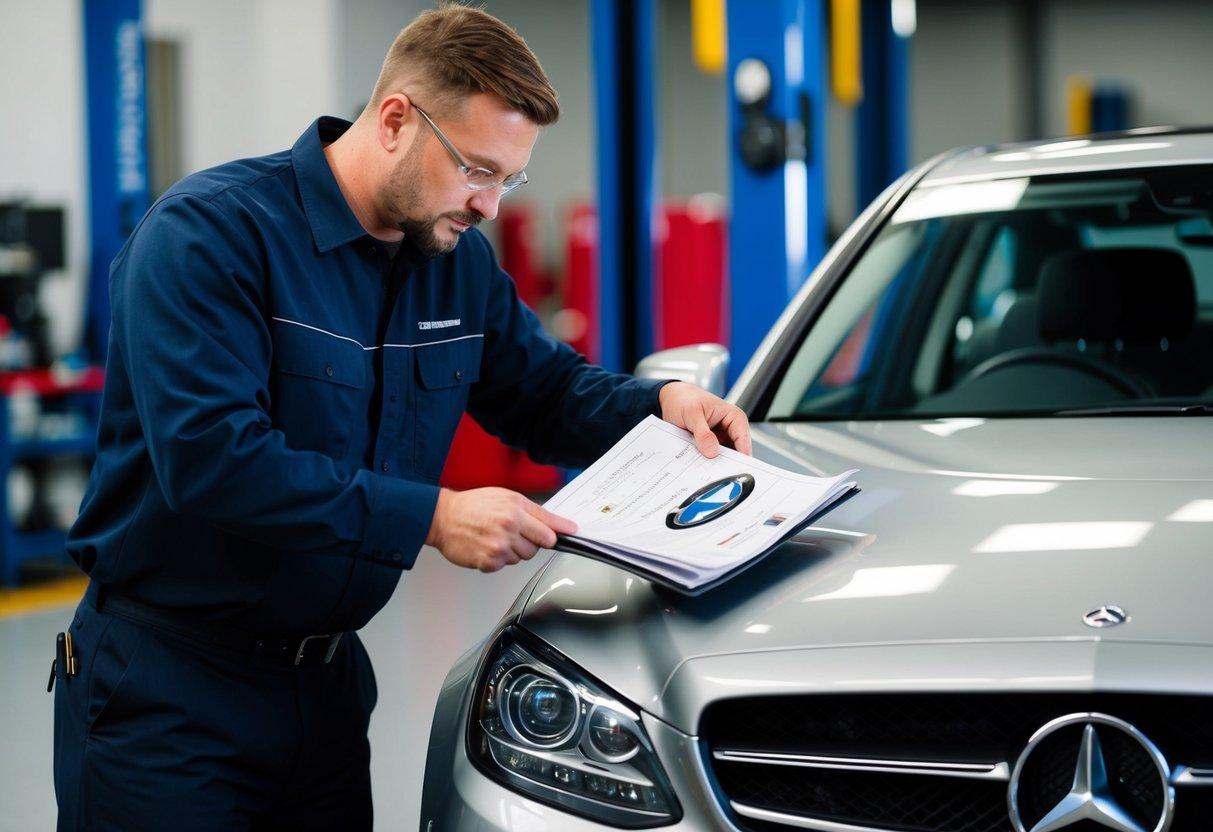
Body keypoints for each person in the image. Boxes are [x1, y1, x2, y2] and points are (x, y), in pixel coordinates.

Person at [52, 4, 750, 830]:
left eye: (509, 179)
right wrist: (433, 516)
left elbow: (544, 393)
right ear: (394, 121)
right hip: (169, 697)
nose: (490, 204)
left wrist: (656, 405)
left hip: (328, 696)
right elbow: (212, 457)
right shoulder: (210, 238)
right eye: (477, 170)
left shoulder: (451, 264)